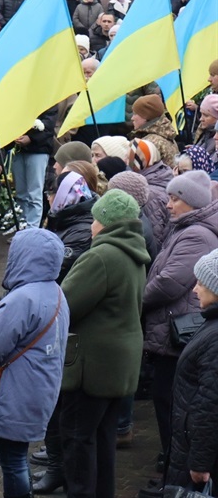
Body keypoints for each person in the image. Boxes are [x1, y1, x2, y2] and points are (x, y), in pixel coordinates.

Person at [58, 189, 148, 498]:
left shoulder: (101, 255)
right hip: (119, 364)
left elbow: (66, 303)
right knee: (103, 438)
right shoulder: (133, 252)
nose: (91, 224)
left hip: (92, 368)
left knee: (78, 439)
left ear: (106, 222)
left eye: (96, 218)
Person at [0, 228, 69, 498]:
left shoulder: (21, 299)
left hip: (16, 392)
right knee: (17, 457)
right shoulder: (57, 293)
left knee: (12, 462)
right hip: (41, 389)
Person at [145, 170, 218, 473]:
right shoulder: (184, 227)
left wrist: (137, 299)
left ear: (191, 201)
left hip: (176, 333)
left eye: (175, 198)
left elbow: (169, 282)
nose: (168, 204)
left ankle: (175, 465)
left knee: (171, 402)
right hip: (169, 329)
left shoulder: (196, 234)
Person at [167, 249, 218, 488]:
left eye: (200, 283)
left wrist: (199, 463)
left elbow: (211, 404)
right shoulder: (211, 322)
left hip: (198, 457)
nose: (194, 289)